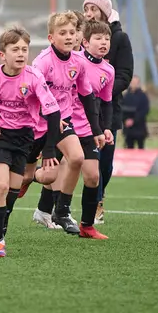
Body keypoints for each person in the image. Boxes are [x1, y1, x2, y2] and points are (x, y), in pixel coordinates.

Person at [0, 27, 61, 257]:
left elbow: (53, 112)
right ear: (3, 54)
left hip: (24, 138)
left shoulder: (34, 77)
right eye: (15, 49)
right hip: (0, 137)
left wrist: (49, 149)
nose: (21, 54)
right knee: (2, 186)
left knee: (13, 191)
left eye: (24, 49)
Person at [28, 12, 105, 234]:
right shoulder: (42, 62)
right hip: (40, 120)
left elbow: (87, 98)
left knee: (77, 158)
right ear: (51, 37)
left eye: (72, 32)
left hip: (63, 121)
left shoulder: (78, 61)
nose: (69, 37)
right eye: (63, 33)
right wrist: (51, 116)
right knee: (41, 176)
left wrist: (97, 130)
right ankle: (16, 180)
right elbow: (32, 96)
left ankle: (61, 211)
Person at [83, 0, 133, 225]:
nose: (89, 14)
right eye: (86, 9)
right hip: (81, 109)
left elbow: (125, 74)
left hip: (109, 108)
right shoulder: (80, 40)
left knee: (106, 162)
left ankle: (99, 197)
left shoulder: (120, 39)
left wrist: (103, 90)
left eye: (93, 9)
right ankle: (87, 205)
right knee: (80, 159)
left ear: (104, 12)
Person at [61, 19, 115, 239]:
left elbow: (106, 102)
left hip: (87, 128)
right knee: (46, 175)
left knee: (93, 177)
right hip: (64, 124)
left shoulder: (108, 70)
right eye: (98, 38)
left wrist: (106, 128)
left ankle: (87, 226)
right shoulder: (75, 61)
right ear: (84, 42)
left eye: (107, 38)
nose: (104, 42)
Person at [121, 75, 149, 149]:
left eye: (135, 82)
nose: (133, 84)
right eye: (132, 82)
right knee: (129, 148)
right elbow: (121, 109)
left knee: (141, 148)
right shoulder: (125, 96)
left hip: (139, 128)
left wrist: (134, 120)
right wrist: (125, 120)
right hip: (128, 129)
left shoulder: (143, 96)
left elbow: (145, 110)